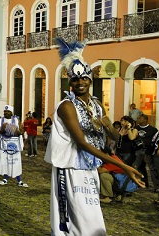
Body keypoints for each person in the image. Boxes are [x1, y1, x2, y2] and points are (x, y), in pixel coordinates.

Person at [45, 38, 144, 235]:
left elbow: (115, 137)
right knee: (73, 216)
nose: (80, 82)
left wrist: (108, 127)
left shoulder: (97, 105)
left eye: (84, 79)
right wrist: (124, 166)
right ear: (70, 81)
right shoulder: (67, 106)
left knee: (91, 212)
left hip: (90, 166)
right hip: (70, 167)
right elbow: (81, 143)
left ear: (90, 80)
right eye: (75, 79)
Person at [0, 105, 28, 187]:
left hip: (14, 144)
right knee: (5, 161)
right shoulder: (0, 120)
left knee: (15, 161)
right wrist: (3, 129)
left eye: (8, 112)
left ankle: (19, 180)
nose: (6, 113)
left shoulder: (16, 120)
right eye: (5, 112)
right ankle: (5, 178)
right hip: (4, 144)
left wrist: (15, 131)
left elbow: (21, 131)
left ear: (11, 113)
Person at [135, 114, 158, 189]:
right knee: (139, 167)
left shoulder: (153, 130)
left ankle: (156, 186)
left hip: (148, 151)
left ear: (145, 119)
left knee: (152, 168)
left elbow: (154, 140)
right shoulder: (136, 128)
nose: (137, 119)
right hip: (138, 150)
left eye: (139, 118)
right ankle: (143, 182)